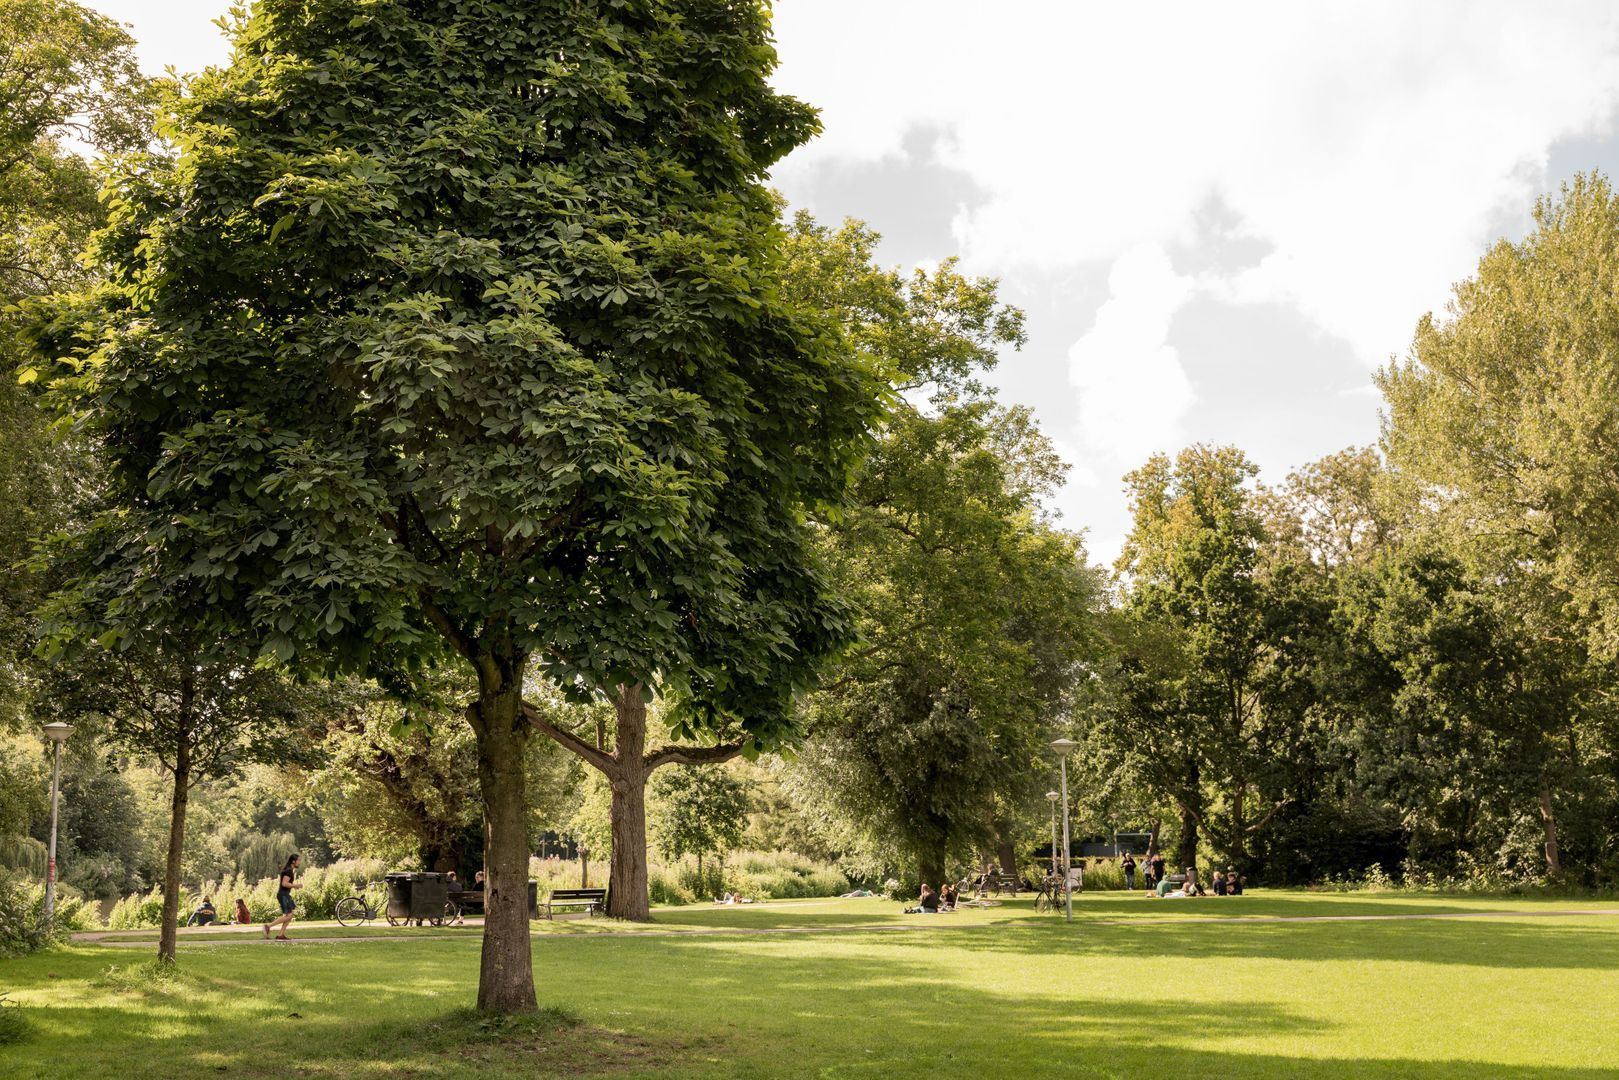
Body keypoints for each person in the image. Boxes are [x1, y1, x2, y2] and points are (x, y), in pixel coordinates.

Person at [265, 853, 302, 940]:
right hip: (283, 895)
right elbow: (284, 884)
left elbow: (286, 884)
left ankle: (281, 935)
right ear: (293, 861)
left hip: (285, 894)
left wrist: (293, 886)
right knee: (289, 915)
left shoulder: (288, 869)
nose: (299, 862)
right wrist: (296, 885)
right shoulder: (288, 871)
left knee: (290, 915)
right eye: (298, 860)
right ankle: (268, 926)